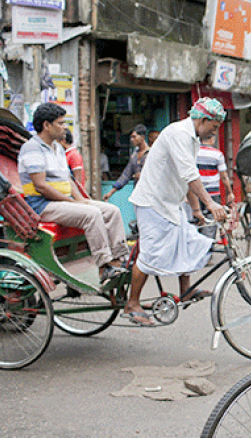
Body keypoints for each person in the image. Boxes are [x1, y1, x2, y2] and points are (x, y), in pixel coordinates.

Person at [123, 98, 228, 326]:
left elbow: (187, 177)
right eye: (214, 126)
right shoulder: (179, 133)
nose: (215, 131)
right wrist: (210, 204)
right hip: (152, 202)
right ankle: (132, 303)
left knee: (186, 243)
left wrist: (197, 209)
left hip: (171, 203)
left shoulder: (192, 139)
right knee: (149, 254)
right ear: (203, 120)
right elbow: (189, 173)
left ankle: (186, 291)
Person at [18, 102, 128, 282]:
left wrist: (81, 200)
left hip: (62, 201)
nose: (64, 127)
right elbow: (41, 186)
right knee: (92, 214)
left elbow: (68, 180)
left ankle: (118, 260)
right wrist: (72, 203)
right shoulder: (32, 148)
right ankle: (103, 266)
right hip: (42, 205)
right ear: (46, 125)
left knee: (112, 211)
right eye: (60, 123)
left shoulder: (58, 149)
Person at [196, 134, 235, 238]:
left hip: (196, 193)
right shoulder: (217, 154)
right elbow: (224, 176)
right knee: (211, 222)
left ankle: (197, 244)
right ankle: (208, 245)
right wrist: (229, 192)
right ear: (212, 139)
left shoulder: (194, 153)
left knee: (196, 222)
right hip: (212, 193)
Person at [103, 124, 150, 201]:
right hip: (138, 195)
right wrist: (110, 193)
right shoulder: (134, 156)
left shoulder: (151, 154)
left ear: (142, 137)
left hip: (151, 196)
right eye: (131, 137)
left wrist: (143, 176)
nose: (131, 139)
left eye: (134, 137)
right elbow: (125, 175)